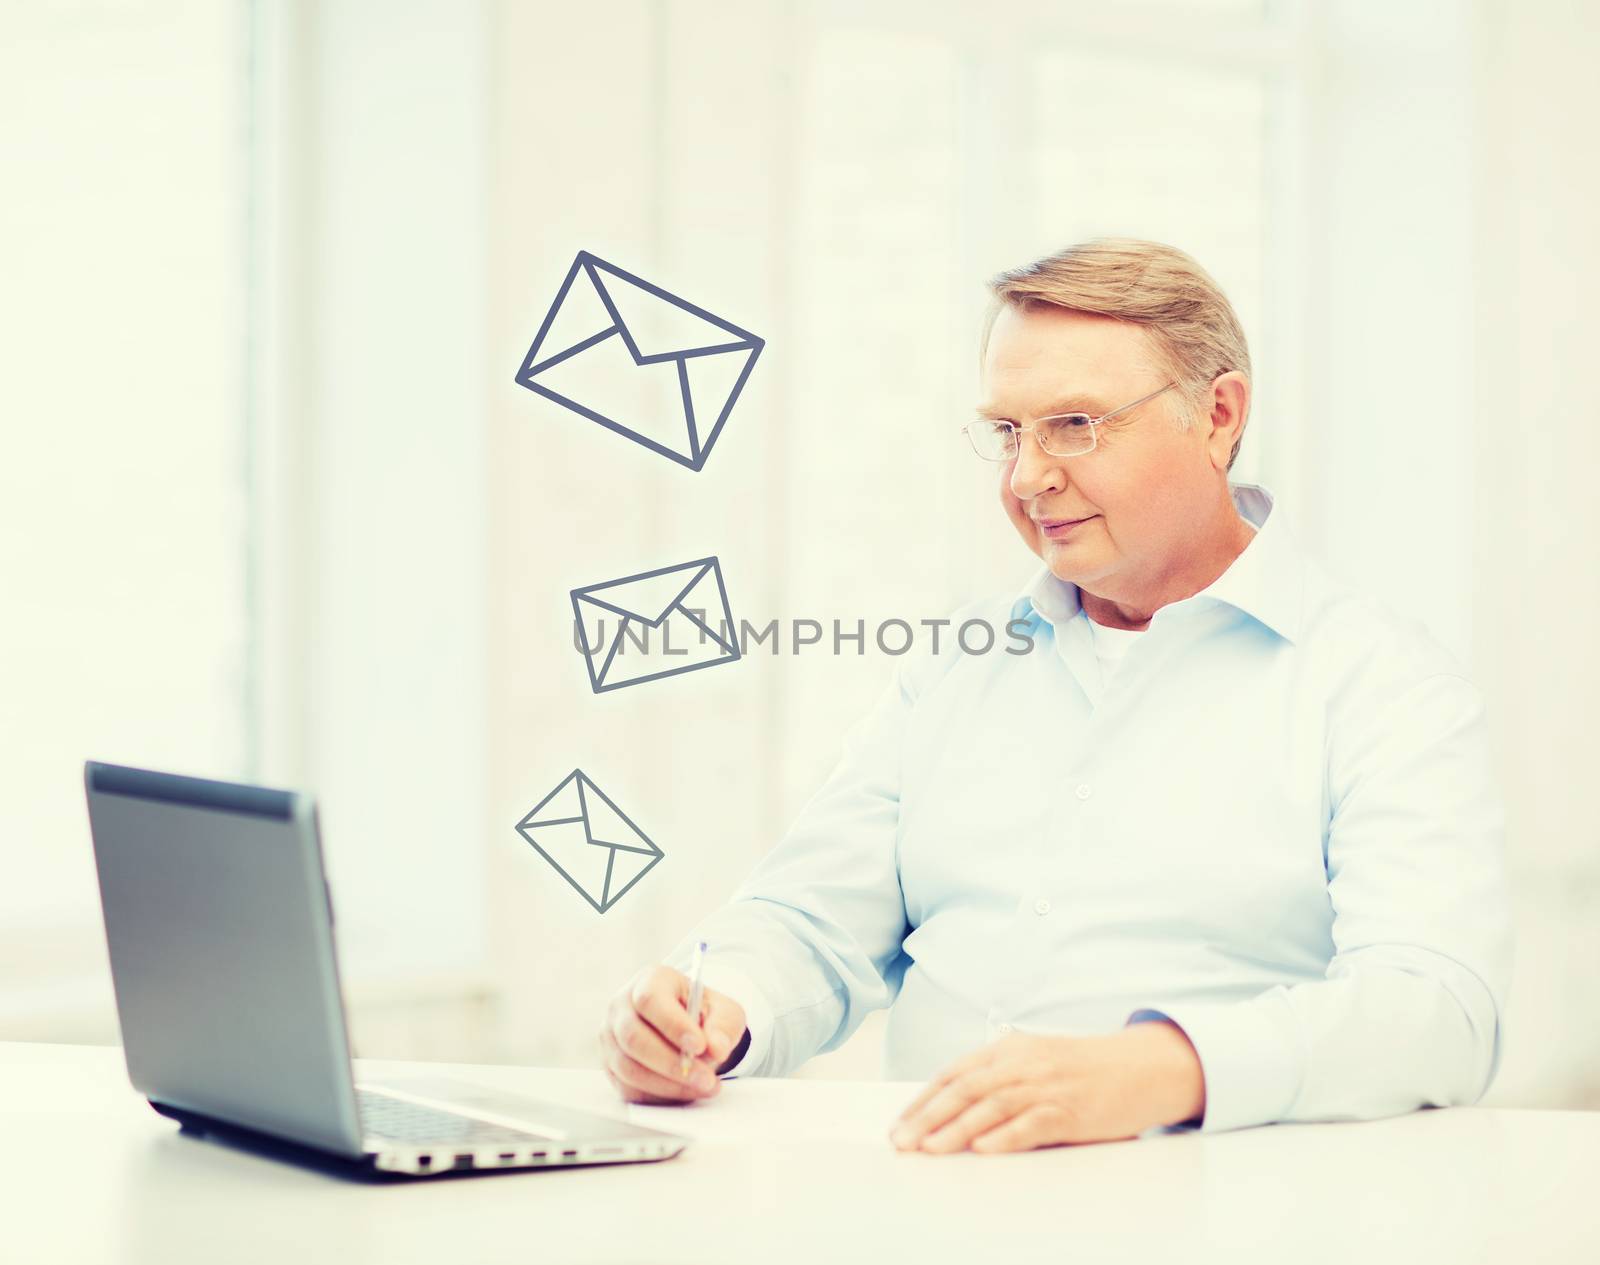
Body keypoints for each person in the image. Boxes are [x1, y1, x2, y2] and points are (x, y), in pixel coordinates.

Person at [598, 237, 1512, 1154]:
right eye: (1008, 431)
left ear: (1219, 416)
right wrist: (712, 1010)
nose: (1028, 476)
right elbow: (812, 920)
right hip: (933, 1199)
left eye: (1075, 424)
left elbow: (1437, 1007)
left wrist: (1161, 1068)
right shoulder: (956, 664)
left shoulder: (1379, 683)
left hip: (1223, 1214)